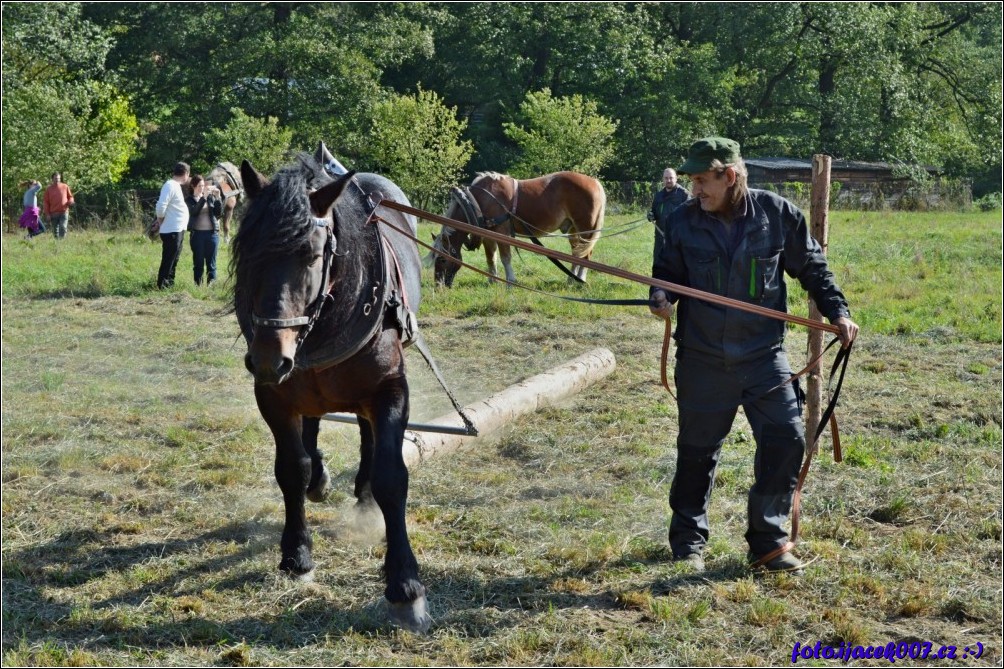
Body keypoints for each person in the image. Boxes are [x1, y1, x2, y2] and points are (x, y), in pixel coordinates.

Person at [649, 137, 858, 575]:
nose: (695, 189)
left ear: (730, 176)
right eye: (691, 180)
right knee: (697, 452)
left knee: (786, 439)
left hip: (764, 357)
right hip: (703, 358)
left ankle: (768, 541)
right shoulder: (683, 220)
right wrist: (661, 293)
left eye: (703, 180)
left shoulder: (777, 215)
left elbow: (813, 269)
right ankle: (688, 539)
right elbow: (666, 271)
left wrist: (838, 311)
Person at [154, 162, 191, 289]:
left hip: (177, 229)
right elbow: (160, 206)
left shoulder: (175, 186)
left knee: (174, 259)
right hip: (172, 230)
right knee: (169, 259)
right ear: (186, 173)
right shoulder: (170, 185)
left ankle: (169, 284)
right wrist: (160, 220)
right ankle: (162, 286)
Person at [185, 174, 224, 286]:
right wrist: (203, 198)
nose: (201, 188)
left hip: (212, 234)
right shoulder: (189, 200)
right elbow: (194, 212)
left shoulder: (210, 197)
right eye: (199, 186)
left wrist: (218, 198)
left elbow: (219, 213)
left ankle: (211, 285)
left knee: (211, 263)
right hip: (197, 235)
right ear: (193, 186)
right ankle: (198, 285)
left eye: (203, 186)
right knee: (198, 262)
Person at [648, 168, 690, 259]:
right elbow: (654, 212)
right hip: (660, 238)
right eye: (666, 178)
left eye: (671, 178)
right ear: (663, 179)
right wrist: (651, 215)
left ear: (676, 178)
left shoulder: (684, 194)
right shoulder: (658, 195)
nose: (669, 180)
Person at [42, 172, 74, 239]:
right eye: (56, 178)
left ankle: (62, 241)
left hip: (64, 211)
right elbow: (46, 202)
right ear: (52, 179)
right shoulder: (49, 189)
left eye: (59, 178)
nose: (57, 180)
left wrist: (71, 201)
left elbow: (70, 196)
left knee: (63, 227)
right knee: (55, 230)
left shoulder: (65, 186)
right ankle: (56, 243)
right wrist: (47, 214)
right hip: (53, 213)